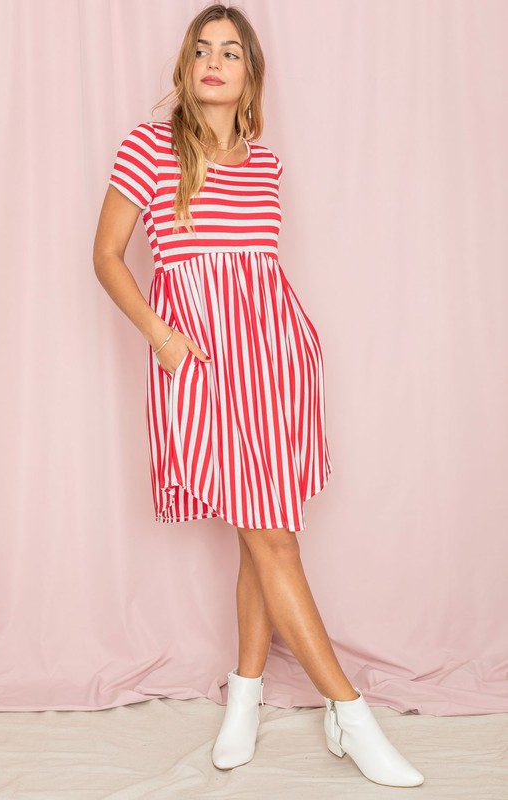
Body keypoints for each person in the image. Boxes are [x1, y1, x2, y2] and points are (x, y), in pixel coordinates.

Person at [93, 3, 424, 789]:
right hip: (200, 363)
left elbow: (259, 277)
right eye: (201, 49)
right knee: (272, 539)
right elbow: (107, 256)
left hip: (274, 364)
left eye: (231, 52)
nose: (213, 62)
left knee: (262, 536)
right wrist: (164, 339)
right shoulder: (149, 147)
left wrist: (296, 342)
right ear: (186, 65)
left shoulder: (263, 161)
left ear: (250, 74)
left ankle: (244, 697)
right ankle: (349, 713)